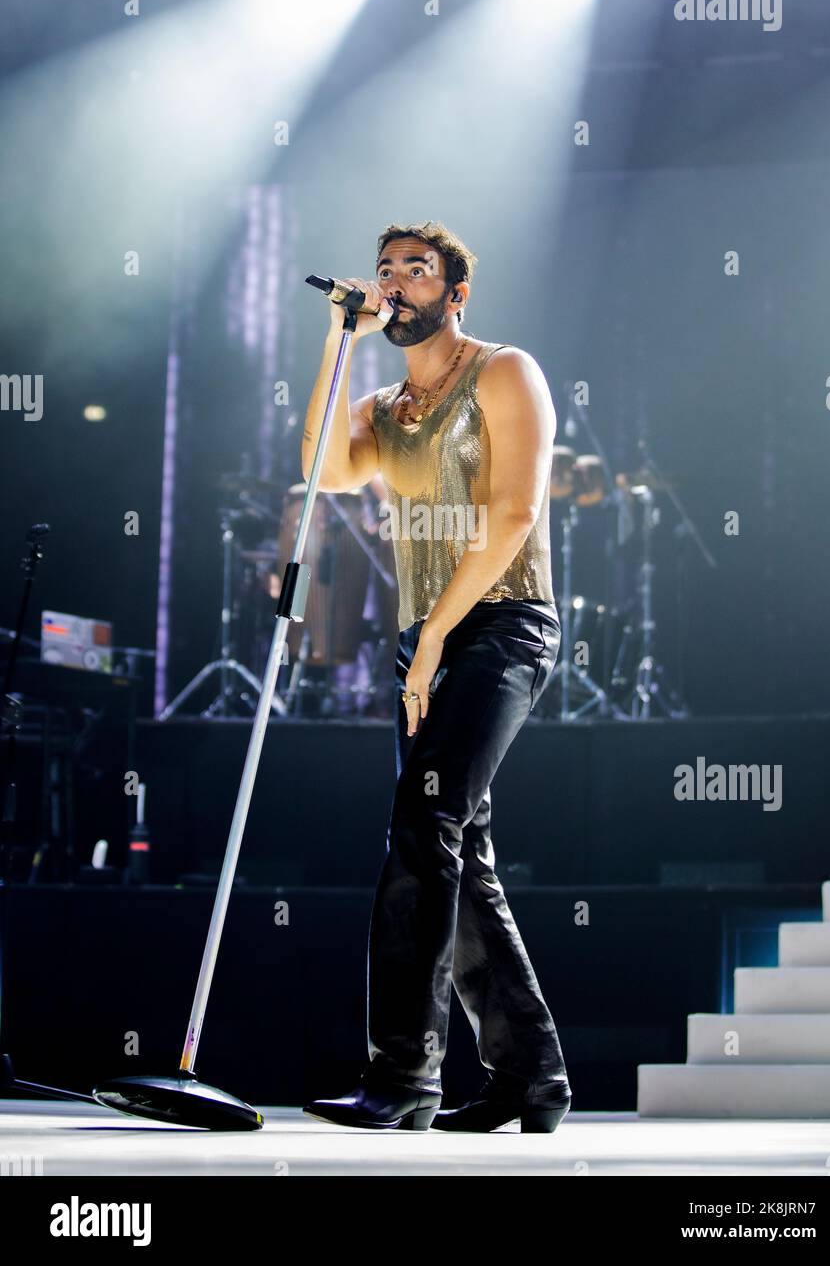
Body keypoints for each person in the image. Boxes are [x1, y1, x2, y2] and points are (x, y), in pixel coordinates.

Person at [300, 221, 571, 1132]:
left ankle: (403, 1077)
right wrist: (338, 340)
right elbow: (324, 469)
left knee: (423, 829)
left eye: (418, 270)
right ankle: (529, 1079)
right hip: (430, 639)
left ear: (456, 292)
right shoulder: (383, 408)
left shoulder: (505, 372)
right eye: (386, 272)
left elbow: (513, 515)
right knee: (458, 851)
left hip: (502, 627)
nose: (397, 283)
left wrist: (428, 651)